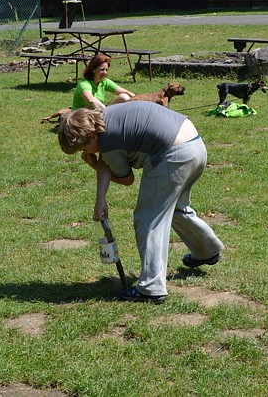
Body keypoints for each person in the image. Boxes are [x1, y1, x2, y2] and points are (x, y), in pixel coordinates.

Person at [58, 102, 225, 304]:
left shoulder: (109, 140)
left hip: (172, 154)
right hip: (195, 146)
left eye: (84, 148)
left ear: (91, 136)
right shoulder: (103, 118)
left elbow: (127, 179)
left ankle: (151, 288)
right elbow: (105, 158)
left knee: (149, 219)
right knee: (176, 209)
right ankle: (206, 251)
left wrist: (92, 164)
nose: (86, 153)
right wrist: (100, 198)